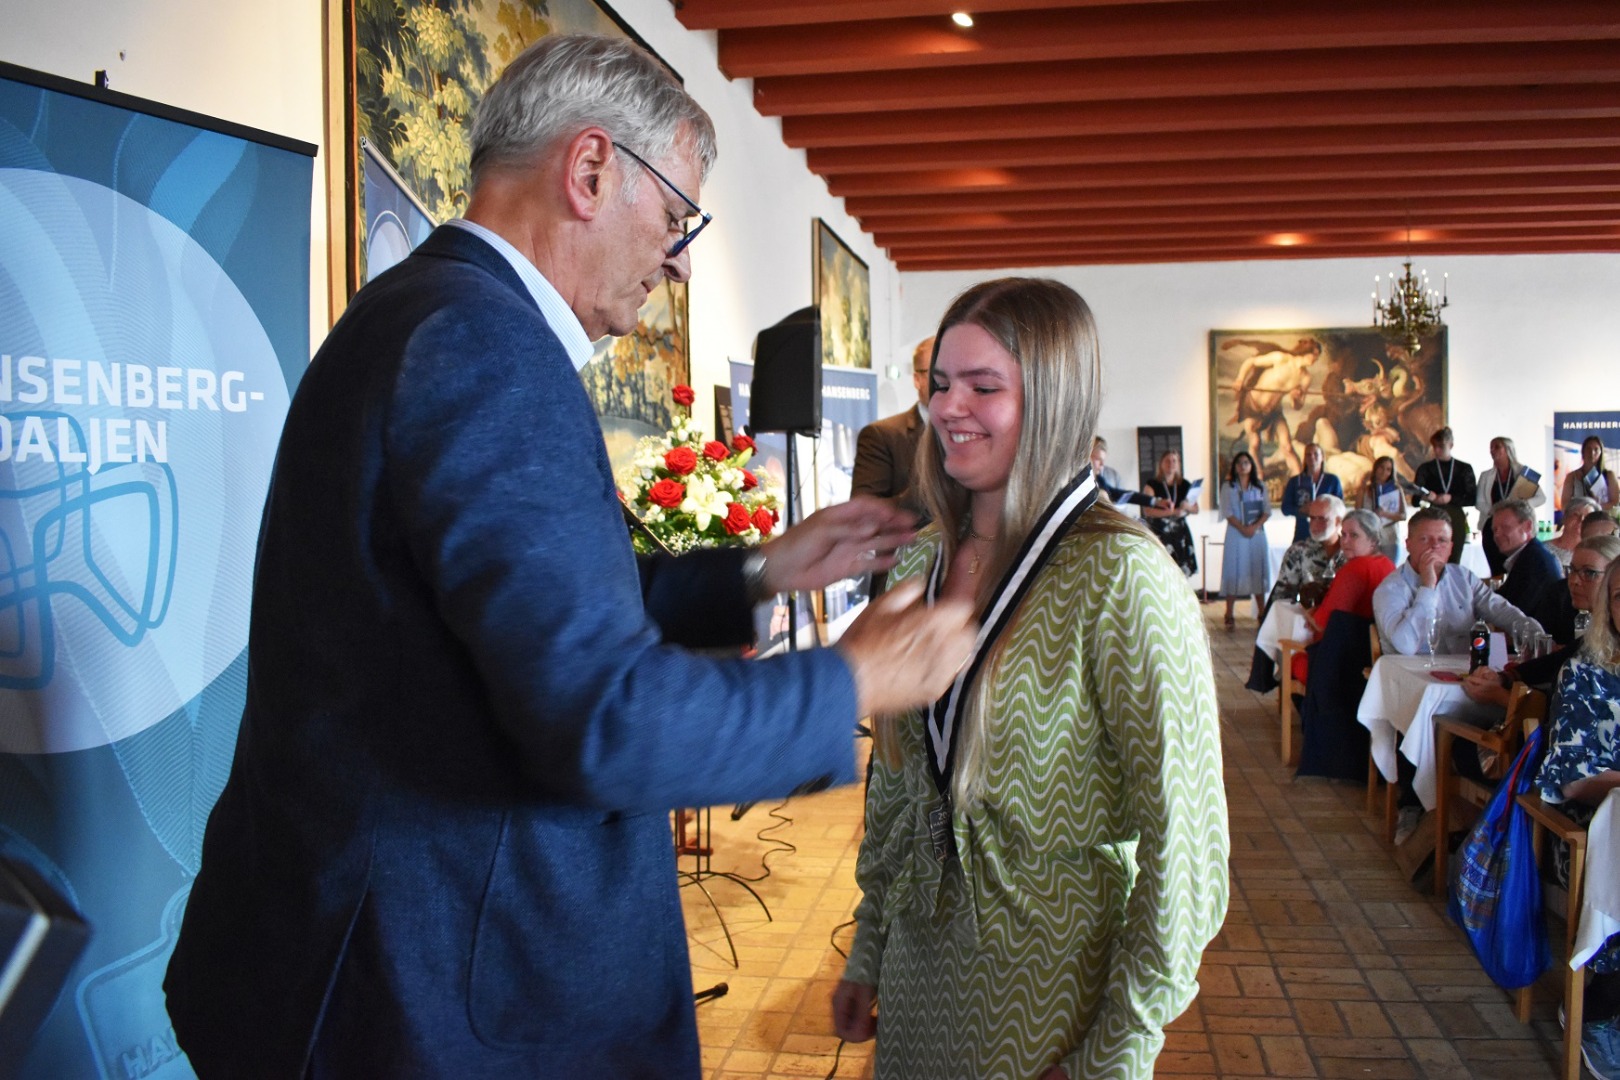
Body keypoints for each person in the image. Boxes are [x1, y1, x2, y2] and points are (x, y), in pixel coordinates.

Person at [162, 36, 979, 1079]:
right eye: (678, 215)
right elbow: (604, 721)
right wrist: (852, 678)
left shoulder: (424, 311)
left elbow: (509, 616)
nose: (680, 258)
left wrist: (758, 574)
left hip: (361, 946)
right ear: (591, 170)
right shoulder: (487, 349)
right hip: (424, 989)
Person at [832, 278, 1228, 1080]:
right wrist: (870, 940)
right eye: (941, 383)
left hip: (1049, 992)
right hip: (918, 967)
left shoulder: (1121, 576)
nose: (949, 407)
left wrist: (1117, 1048)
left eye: (985, 386)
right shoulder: (920, 559)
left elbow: (1185, 844)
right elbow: (902, 784)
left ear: (1053, 400)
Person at [1534, 557, 1620, 1080]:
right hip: (1584, 834)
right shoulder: (1585, 673)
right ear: (1609, 606)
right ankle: (1600, 1008)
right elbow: (1570, 781)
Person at [1463, 535, 1620, 703]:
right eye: (1572, 570)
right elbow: (1553, 663)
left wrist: (1502, 697)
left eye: (1589, 573)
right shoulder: (1596, 632)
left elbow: (1571, 715)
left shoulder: (1611, 642)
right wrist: (1504, 678)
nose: (1574, 581)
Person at [1372, 507, 1543, 657]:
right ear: (1408, 544)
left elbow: (1501, 610)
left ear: (1451, 548)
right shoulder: (1390, 589)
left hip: (1465, 678)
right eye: (1425, 539)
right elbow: (1406, 646)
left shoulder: (1463, 577)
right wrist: (1427, 587)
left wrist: (1537, 636)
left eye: (1442, 540)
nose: (1434, 546)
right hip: (1411, 683)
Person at [852, 336, 935, 593]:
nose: (946, 384)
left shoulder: (976, 433)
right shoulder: (881, 435)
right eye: (936, 373)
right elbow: (862, 516)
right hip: (901, 581)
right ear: (917, 378)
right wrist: (934, 485)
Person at [1289, 509, 1394, 683]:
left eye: (1354, 535)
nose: (1345, 541)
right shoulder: (1387, 564)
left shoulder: (1354, 569)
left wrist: (1310, 612)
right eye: (1343, 534)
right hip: (1374, 655)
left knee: (1293, 659)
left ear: (1373, 540)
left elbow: (1323, 624)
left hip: (1342, 663)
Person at [1222, 335, 1321, 478]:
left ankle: (1299, 480)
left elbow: (1297, 406)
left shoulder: (1305, 377)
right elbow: (1251, 362)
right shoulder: (1281, 359)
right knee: (1255, 443)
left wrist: (1295, 397)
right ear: (1306, 351)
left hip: (1274, 411)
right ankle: (1259, 476)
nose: (1315, 358)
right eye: (1315, 354)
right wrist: (1240, 379)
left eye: (1317, 356)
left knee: (1287, 446)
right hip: (1253, 405)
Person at [1478, 435, 1546, 575]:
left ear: (1508, 449)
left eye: (1497, 447)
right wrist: (1497, 512)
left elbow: (1541, 498)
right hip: (1492, 527)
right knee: (1496, 568)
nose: (1492, 450)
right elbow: (1479, 503)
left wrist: (1522, 505)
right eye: (1491, 447)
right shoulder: (1486, 476)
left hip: (1516, 528)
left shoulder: (1524, 473)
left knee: (1518, 568)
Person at [1409, 426, 1477, 565]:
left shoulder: (1464, 468)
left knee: (1454, 559)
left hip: (1455, 516)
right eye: (1434, 446)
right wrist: (1425, 496)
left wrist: (1451, 498)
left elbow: (1472, 498)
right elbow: (1415, 499)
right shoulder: (1426, 469)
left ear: (1451, 445)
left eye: (1441, 446)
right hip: (1432, 515)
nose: (1437, 450)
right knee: (1430, 558)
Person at [1221, 450, 1271, 628]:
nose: (1243, 466)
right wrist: (1243, 528)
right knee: (1233, 571)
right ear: (1235, 466)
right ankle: (1229, 613)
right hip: (1236, 533)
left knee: (1258, 569)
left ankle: (1261, 612)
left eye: (1246, 462)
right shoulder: (1229, 487)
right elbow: (1226, 512)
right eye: (1239, 463)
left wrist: (1253, 527)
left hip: (1256, 534)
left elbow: (1267, 511)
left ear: (1251, 466)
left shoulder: (1260, 487)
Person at [1491, 496, 1564, 618]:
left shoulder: (1535, 562)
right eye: (1494, 530)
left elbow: (1514, 613)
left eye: (1505, 527)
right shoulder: (1529, 555)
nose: (1497, 535)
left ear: (1528, 526)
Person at [1269, 494, 1348, 605]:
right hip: (1304, 618)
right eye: (1311, 518)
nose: (1314, 525)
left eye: (1321, 519)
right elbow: (1282, 598)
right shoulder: (1298, 552)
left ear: (1338, 521)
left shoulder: (1350, 552)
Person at [1142, 449, 1199, 578]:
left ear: (1178, 464)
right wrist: (1173, 512)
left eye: (1174, 460)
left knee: (1181, 571)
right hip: (1160, 531)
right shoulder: (1152, 484)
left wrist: (1187, 507)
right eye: (1167, 460)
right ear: (1161, 464)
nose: (1171, 463)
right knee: (1161, 569)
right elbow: (1148, 511)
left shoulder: (1184, 484)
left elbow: (1196, 509)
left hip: (1180, 532)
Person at [1280, 442, 1343, 542]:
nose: (1312, 457)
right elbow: (1285, 509)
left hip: (1326, 535)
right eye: (1308, 454)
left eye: (1316, 454)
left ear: (1322, 457)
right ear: (1304, 458)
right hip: (1302, 534)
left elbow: (1340, 508)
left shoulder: (1332, 480)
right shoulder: (1295, 481)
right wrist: (1301, 510)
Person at [1090, 435, 1156, 512]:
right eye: (1098, 459)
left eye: (1103, 460)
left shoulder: (1099, 479)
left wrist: (1154, 501)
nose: (1102, 464)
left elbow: (1117, 494)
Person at [1360, 454, 1405, 560]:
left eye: (1388, 469)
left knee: (1390, 571)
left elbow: (1403, 515)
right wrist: (1362, 485)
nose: (1384, 472)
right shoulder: (1366, 490)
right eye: (1381, 468)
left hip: (1390, 536)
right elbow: (1359, 512)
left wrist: (1385, 514)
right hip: (1370, 537)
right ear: (1375, 468)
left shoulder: (1396, 489)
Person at [1561, 434, 1619, 513]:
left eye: (1596, 449)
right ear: (1583, 452)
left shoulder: (1609, 475)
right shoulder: (1572, 476)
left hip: (1602, 519)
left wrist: (1596, 507)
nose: (1592, 453)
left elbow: (1615, 502)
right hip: (1579, 519)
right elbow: (1564, 504)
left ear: (1601, 453)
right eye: (1588, 449)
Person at [1551, 495, 1601, 570]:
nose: (1581, 520)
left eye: (1587, 517)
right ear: (1565, 517)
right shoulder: (1543, 549)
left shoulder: (1594, 554)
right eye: (1576, 515)